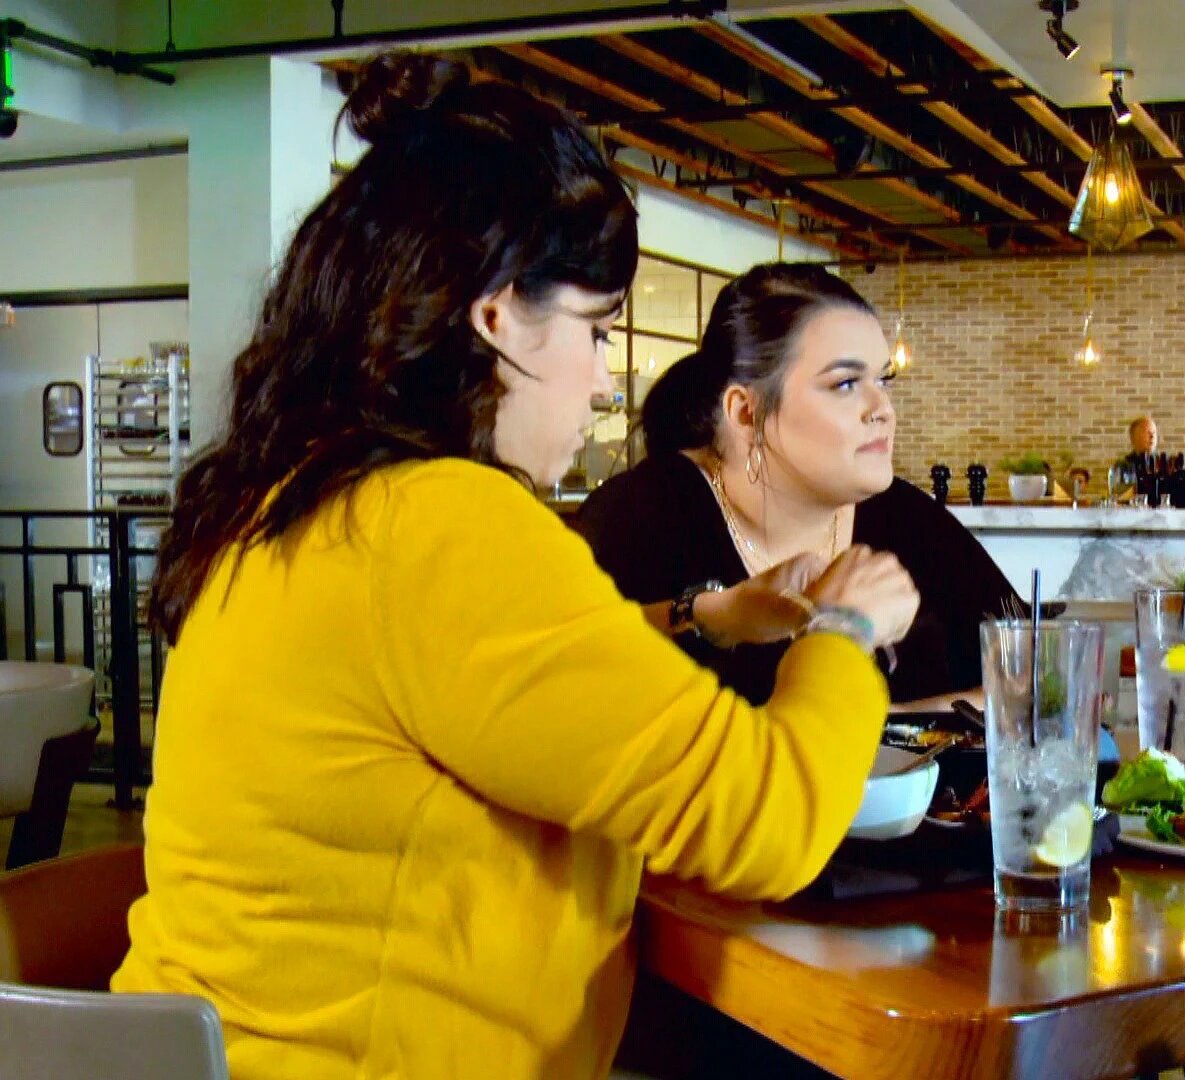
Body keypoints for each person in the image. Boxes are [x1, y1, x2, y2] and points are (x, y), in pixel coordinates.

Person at [112, 53, 919, 1080]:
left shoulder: (301, 499)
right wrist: (846, 630)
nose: (604, 381)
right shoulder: (444, 521)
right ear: (496, 316)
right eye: (595, 329)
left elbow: (461, 684)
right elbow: (767, 822)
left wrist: (703, 619)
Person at [572, 263, 1019, 709]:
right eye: (845, 383)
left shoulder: (907, 517)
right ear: (746, 413)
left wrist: (894, 722)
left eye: (883, 380)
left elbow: (1033, 674)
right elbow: (573, 688)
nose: (882, 408)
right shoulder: (637, 519)